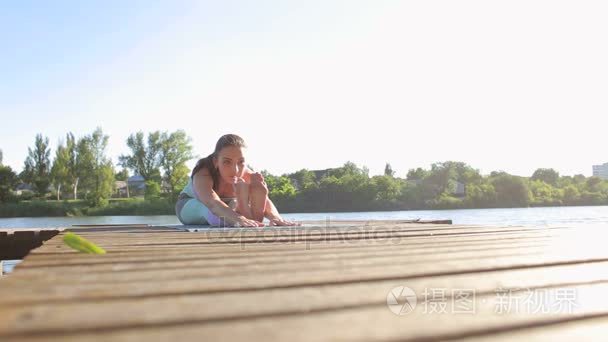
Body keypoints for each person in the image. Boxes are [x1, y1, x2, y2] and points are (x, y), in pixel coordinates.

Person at [175, 134, 298, 227]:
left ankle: (244, 210)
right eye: (227, 162)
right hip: (192, 204)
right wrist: (237, 218)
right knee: (212, 211)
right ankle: (239, 213)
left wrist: (275, 217)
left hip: (228, 207)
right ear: (216, 161)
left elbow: (264, 199)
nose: (235, 170)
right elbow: (212, 203)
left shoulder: (248, 174)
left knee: (234, 205)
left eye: (241, 162)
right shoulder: (203, 173)